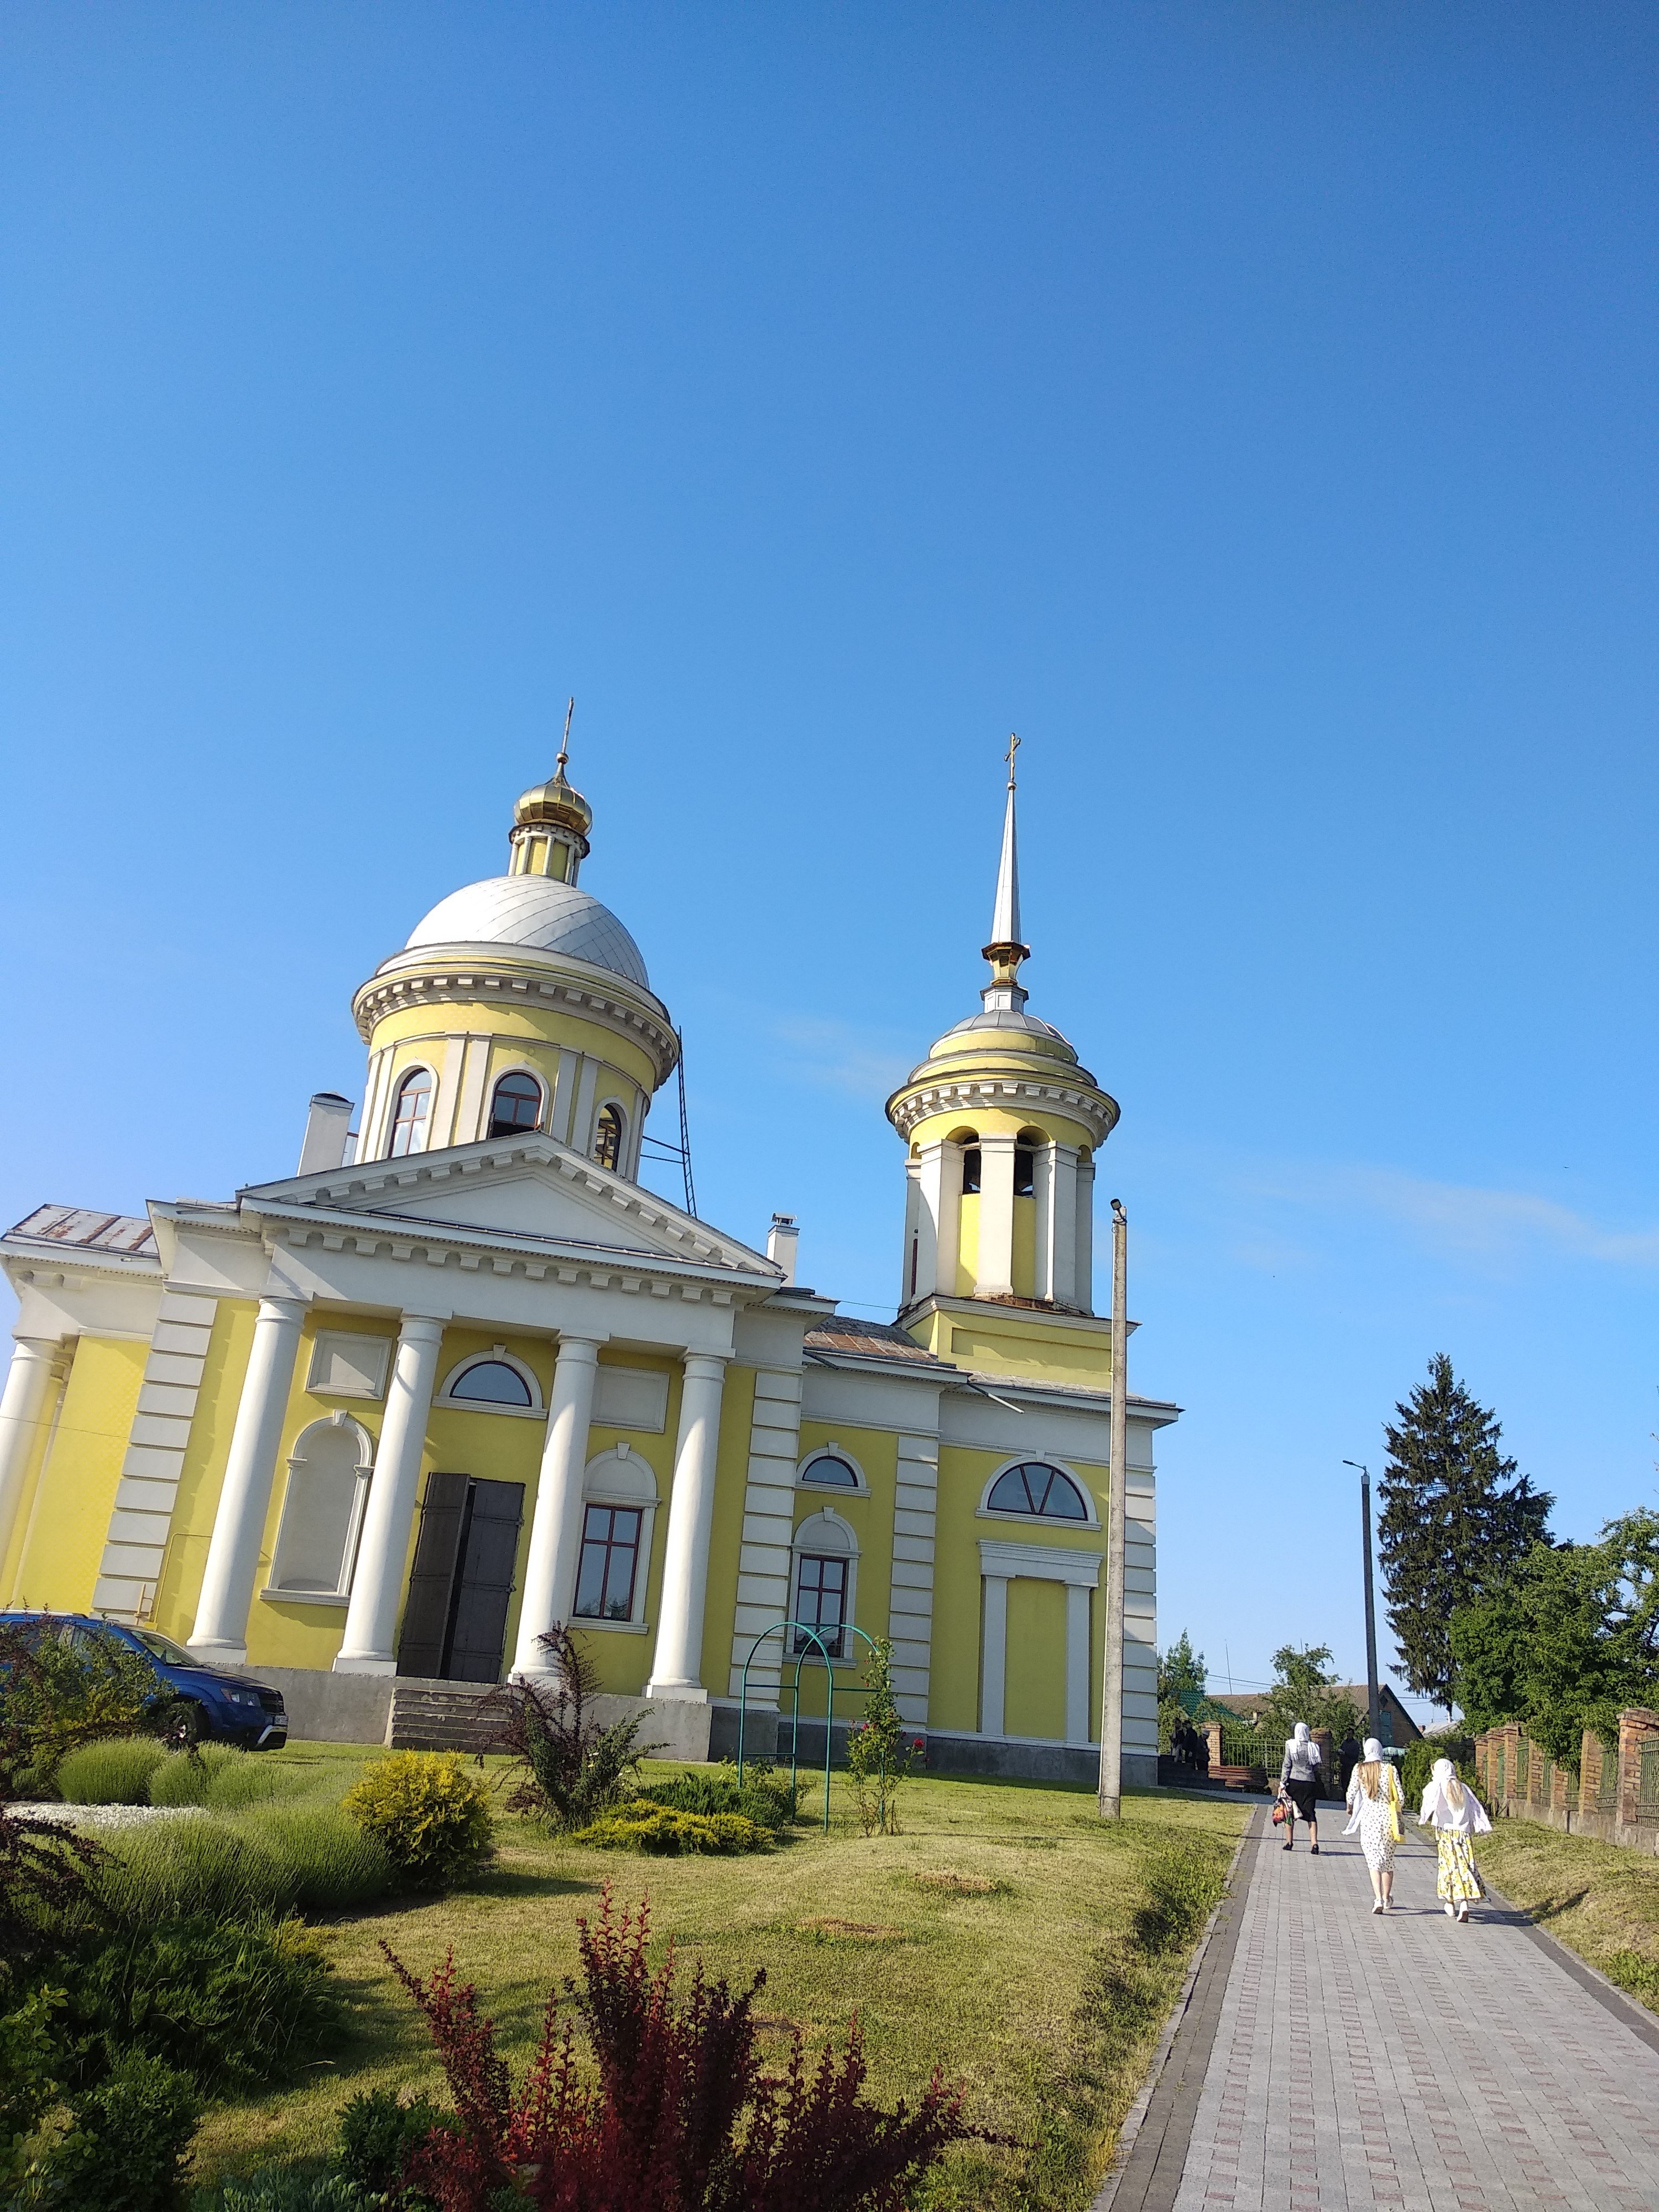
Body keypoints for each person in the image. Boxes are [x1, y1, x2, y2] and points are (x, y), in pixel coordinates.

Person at [1417, 1756, 1491, 1923]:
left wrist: (1423, 1818)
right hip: (1463, 1835)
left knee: (1448, 1868)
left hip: (1445, 1834)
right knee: (1464, 1867)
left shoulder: (1437, 1786)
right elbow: (1475, 1808)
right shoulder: (1463, 1788)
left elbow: (1427, 1797)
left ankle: (1451, 1902)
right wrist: (1481, 1826)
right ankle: (1463, 1903)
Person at [1344, 1737, 1405, 1912]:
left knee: (1373, 1862)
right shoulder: (1390, 1769)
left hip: (1369, 1819)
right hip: (1388, 1820)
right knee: (1388, 1861)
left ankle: (1378, 1898)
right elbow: (1401, 1798)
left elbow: (1350, 1793)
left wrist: (1349, 1808)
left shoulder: (1359, 1769)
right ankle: (1387, 1898)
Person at [1278, 1720, 1323, 1852]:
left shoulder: (1291, 1745)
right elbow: (1316, 1766)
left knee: (1290, 1811)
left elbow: (1287, 1765)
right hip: (1309, 1783)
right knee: (1310, 1813)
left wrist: (1282, 1783)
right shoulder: (1314, 1747)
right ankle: (1314, 1844)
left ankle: (1289, 1842)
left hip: (1294, 1782)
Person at [1337, 1730, 1362, 1797]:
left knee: (1350, 1782)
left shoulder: (1355, 1744)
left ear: (1353, 1734)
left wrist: (1346, 1753)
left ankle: (1350, 1796)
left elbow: (1356, 1754)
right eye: (1348, 1734)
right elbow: (1341, 1750)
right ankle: (1344, 1796)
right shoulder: (1344, 1743)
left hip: (1351, 1766)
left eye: (1350, 1734)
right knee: (1344, 1781)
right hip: (1344, 1765)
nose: (1349, 1735)